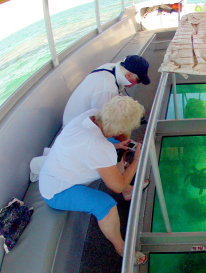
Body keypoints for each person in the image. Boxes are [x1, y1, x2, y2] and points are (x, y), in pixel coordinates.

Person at [39, 96, 148, 263]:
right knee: (104, 204)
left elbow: (91, 145)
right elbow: (116, 186)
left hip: (55, 171)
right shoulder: (97, 146)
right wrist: (137, 160)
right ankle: (121, 248)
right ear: (121, 129)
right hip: (56, 191)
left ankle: (129, 191)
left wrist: (116, 145)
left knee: (116, 147)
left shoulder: (92, 115)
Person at [62, 55, 151, 127]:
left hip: (75, 118)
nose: (136, 84)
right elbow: (102, 120)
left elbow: (115, 96)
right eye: (138, 81)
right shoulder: (107, 89)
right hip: (75, 128)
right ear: (129, 75)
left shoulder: (110, 67)